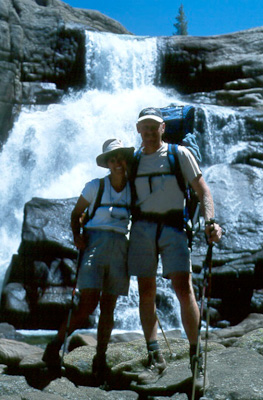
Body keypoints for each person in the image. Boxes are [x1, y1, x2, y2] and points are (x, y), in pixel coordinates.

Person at [128, 107, 222, 387]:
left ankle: (196, 360)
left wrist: (211, 222)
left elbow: (203, 190)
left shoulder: (179, 154)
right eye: (143, 126)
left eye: (153, 125)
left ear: (163, 128)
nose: (148, 130)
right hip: (142, 229)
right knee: (146, 292)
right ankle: (155, 357)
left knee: (184, 290)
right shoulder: (132, 160)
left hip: (174, 228)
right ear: (138, 130)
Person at [42, 138, 134, 384]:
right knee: (88, 303)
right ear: (107, 164)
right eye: (112, 159)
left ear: (126, 160)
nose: (117, 163)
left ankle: (100, 357)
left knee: (109, 305)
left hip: (120, 248)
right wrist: (76, 235)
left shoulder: (133, 188)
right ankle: (55, 345)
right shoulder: (95, 187)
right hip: (95, 244)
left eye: (120, 158)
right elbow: (76, 214)